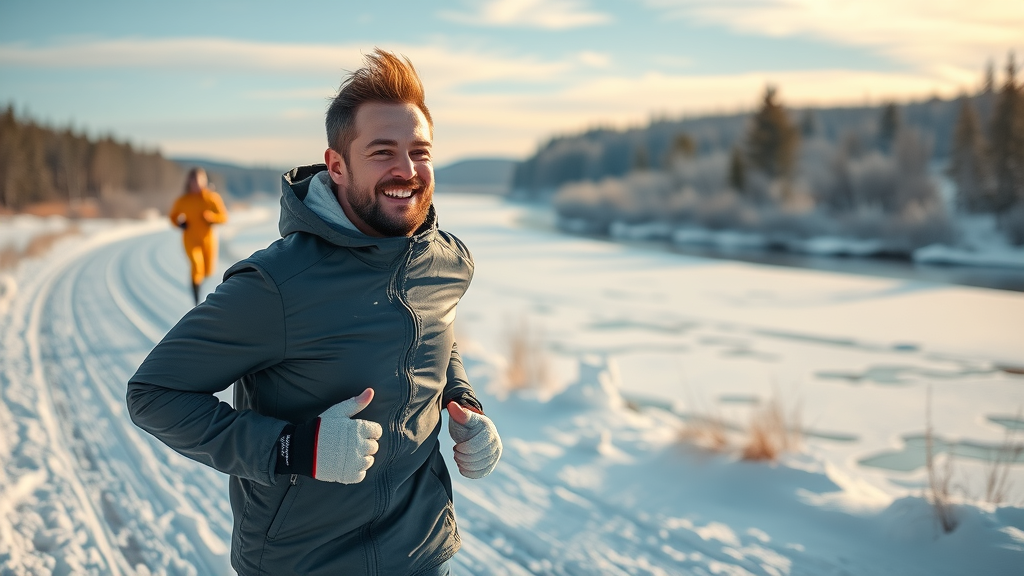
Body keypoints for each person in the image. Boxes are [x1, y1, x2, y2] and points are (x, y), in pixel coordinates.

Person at [126, 49, 502, 576]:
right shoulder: (278, 284)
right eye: (382, 152)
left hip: (422, 552)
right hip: (303, 561)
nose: (407, 170)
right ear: (337, 166)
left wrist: (464, 401)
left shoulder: (445, 261)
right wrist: (292, 448)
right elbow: (152, 395)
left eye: (420, 151)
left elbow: (434, 334)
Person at [169, 167, 229, 304]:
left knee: (207, 271)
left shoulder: (211, 198)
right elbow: (172, 217)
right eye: (194, 181)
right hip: (190, 239)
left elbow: (224, 217)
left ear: (204, 181)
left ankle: (200, 291)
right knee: (197, 265)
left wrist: (211, 218)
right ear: (189, 182)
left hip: (208, 240)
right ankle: (196, 302)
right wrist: (180, 223)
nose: (196, 184)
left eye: (200, 180)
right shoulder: (183, 200)